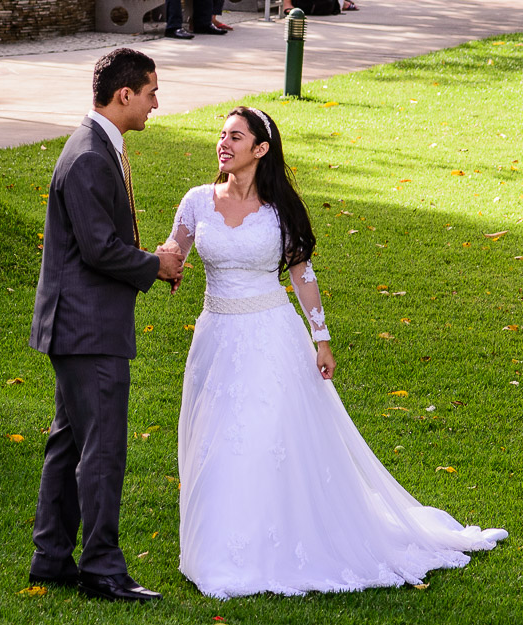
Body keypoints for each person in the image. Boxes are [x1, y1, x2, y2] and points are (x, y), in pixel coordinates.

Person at [159, 107, 507, 599]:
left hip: (269, 335)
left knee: (259, 437)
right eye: (221, 135)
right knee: (216, 438)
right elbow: (175, 248)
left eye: (236, 137)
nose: (224, 144)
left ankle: (262, 550)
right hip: (216, 338)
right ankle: (215, 551)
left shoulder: (281, 210)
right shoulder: (196, 201)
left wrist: (321, 338)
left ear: (260, 149)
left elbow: (302, 275)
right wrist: (162, 264)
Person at [28, 48, 186, 602]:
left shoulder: (96, 147)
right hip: (87, 328)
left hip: (78, 325)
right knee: (102, 449)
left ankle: (51, 556)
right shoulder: (92, 155)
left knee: (70, 444)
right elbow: (98, 249)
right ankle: (100, 566)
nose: (155, 103)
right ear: (125, 95)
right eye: (151, 92)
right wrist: (156, 265)